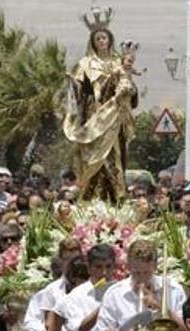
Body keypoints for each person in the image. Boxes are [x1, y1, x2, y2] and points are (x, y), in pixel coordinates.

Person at [63, 23, 133, 201]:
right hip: (95, 116)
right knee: (93, 157)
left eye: (104, 38)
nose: (102, 41)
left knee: (113, 155)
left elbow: (129, 85)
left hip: (115, 115)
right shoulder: (85, 64)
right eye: (98, 39)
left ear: (110, 40)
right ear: (93, 43)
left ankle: (116, 196)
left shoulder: (119, 62)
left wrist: (128, 90)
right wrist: (72, 84)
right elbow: (80, 90)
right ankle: (89, 196)